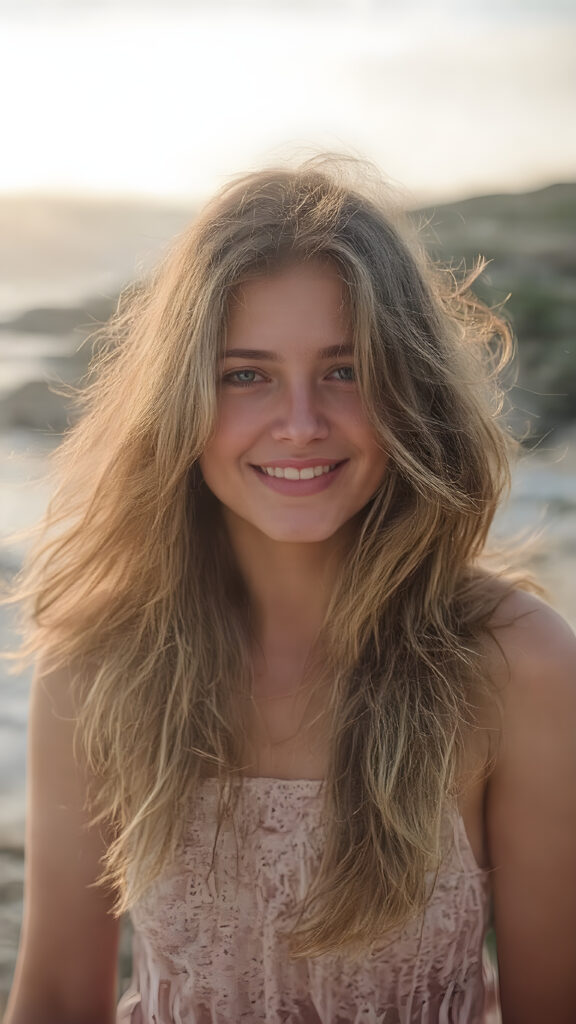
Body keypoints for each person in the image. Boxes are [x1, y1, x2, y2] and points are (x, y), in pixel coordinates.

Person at [3, 156, 576, 1024]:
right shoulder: (97, 663)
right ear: (182, 400)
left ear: (411, 388)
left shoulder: (519, 664)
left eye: (346, 371)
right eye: (247, 374)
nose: (301, 423)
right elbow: (52, 999)